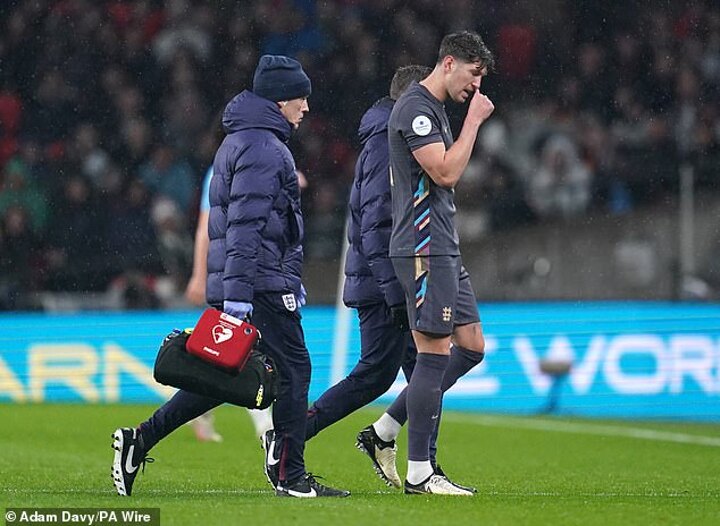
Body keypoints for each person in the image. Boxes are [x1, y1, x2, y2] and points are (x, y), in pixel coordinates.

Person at [111, 54, 349, 498]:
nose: (306, 107)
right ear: (280, 100)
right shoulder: (264, 149)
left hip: (247, 280)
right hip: (258, 284)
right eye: (301, 97)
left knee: (224, 377)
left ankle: (140, 439)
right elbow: (244, 229)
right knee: (295, 370)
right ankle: (291, 476)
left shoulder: (240, 140)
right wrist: (241, 298)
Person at [383, 31, 495, 495]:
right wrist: (474, 123)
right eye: (473, 74)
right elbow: (445, 172)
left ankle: (386, 430)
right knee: (433, 354)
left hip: (442, 245)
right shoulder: (416, 109)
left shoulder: (433, 109)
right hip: (423, 247)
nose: (477, 86)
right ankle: (419, 474)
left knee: (471, 345)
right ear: (449, 63)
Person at [184, 164, 274, 444]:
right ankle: (264, 425)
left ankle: (196, 403)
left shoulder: (255, 163)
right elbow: (205, 226)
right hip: (232, 271)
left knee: (232, 349)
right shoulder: (221, 171)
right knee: (241, 346)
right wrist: (199, 274)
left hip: (251, 269)